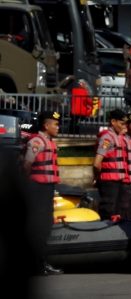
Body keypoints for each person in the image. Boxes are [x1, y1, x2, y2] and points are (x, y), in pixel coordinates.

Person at [22, 111, 63, 276]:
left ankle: (42, 262)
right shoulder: (37, 142)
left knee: (46, 227)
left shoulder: (49, 142)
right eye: (56, 124)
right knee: (39, 228)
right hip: (38, 190)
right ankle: (38, 264)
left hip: (47, 189)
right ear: (46, 126)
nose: (58, 127)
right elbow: (26, 165)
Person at [93, 109, 127, 220]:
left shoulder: (117, 137)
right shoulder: (107, 138)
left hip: (118, 180)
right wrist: (97, 176)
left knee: (117, 212)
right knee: (109, 210)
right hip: (109, 182)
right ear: (113, 121)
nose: (123, 127)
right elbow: (97, 163)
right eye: (121, 123)